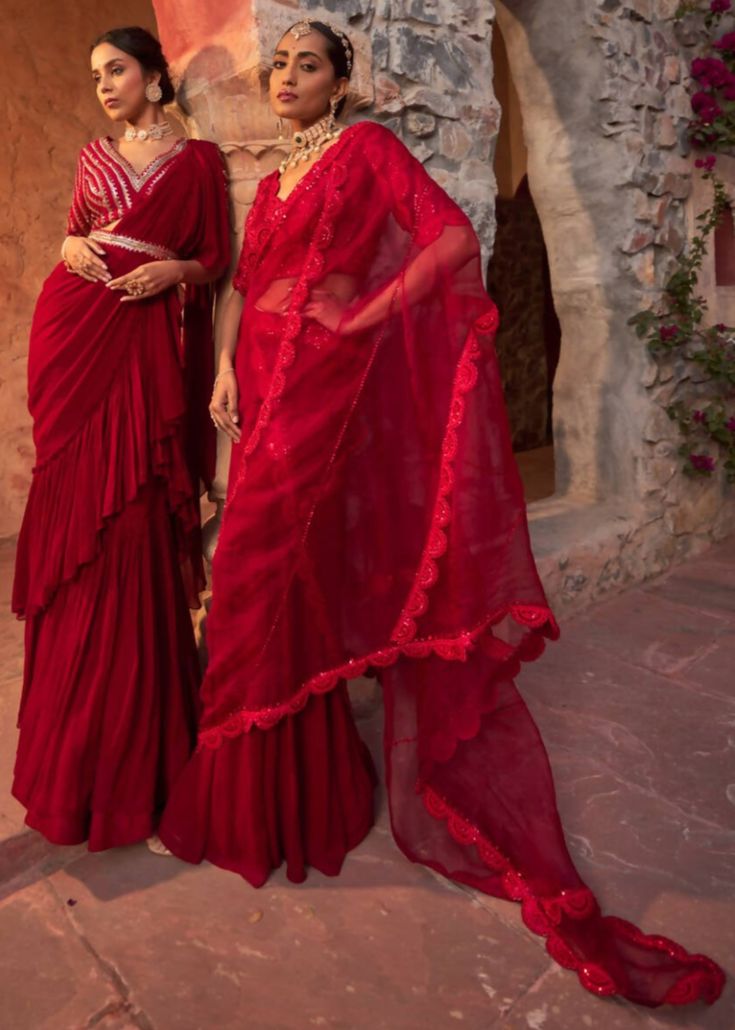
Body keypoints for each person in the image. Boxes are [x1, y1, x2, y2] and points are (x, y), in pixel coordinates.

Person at [159, 20, 724, 1009]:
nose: (285, 78)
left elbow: (451, 242)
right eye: (279, 63)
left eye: (307, 65)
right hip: (260, 387)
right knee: (261, 582)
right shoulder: (283, 174)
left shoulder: (366, 149)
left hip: (327, 394)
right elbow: (249, 286)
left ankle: (282, 801)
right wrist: (218, 372)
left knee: (263, 576)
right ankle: (287, 795)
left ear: (341, 82)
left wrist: (364, 317)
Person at [12, 26, 230, 850]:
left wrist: (175, 272)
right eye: (96, 74)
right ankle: (67, 765)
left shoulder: (200, 162)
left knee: (132, 520)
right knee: (75, 527)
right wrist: (69, 241)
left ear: (153, 75)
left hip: (144, 346)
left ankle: (139, 762)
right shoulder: (92, 155)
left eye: (116, 70)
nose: (104, 85)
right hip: (74, 333)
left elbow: (213, 257)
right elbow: (76, 229)